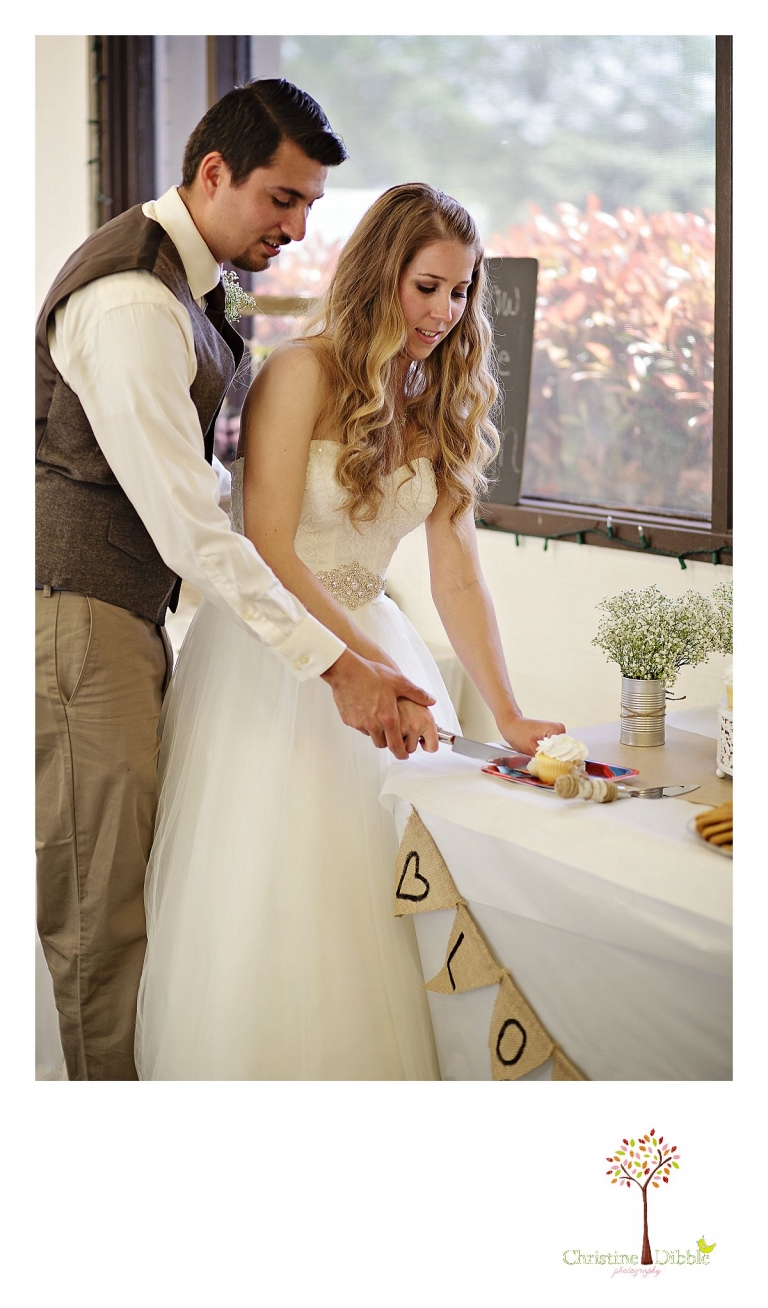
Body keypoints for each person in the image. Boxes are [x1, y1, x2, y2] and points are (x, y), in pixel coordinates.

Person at [35, 80, 438, 1083]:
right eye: (281, 199)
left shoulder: (186, 279)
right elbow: (192, 527)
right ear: (214, 172)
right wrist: (334, 663)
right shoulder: (131, 298)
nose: (297, 229)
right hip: (80, 613)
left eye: (309, 207)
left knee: (130, 894)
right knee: (102, 916)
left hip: (121, 615)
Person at [134, 182, 565, 1081]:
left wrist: (511, 713)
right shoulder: (297, 373)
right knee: (276, 887)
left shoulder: (442, 397)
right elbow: (269, 546)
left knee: (375, 894)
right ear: (380, 275)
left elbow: (457, 573)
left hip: (381, 644)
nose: (446, 313)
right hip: (278, 656)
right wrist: (361, 669)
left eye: (461, 292)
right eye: (428, 287)